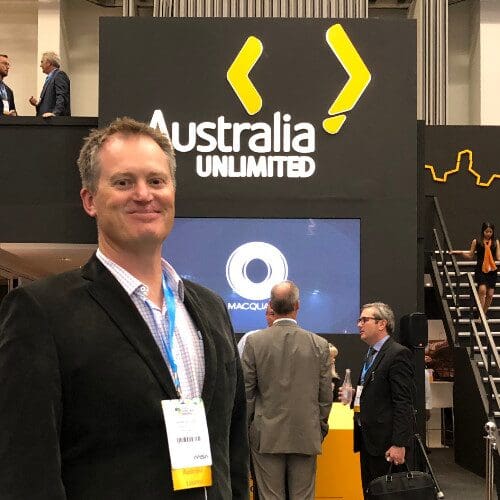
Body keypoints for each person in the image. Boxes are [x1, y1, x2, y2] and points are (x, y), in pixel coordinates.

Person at [0, 117, 248, 499]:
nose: (143, 194)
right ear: (89, 200)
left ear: (173, 192)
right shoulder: (41, 311)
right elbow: (26, 469)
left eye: (156, 181)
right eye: (122, 182)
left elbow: (231, 446)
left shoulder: (211, 308)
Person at [242, 280, 332, 500]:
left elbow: (247, 393)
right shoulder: (319, 344)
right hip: (305, 433)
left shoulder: (254, 342)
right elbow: (325, 396)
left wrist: (249, 429)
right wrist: (319, 427)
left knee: (270, 497)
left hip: (266, 436)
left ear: (271, 305)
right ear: (298, 306)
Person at [347, 302, 414, 496]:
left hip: (386, 444)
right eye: (359, 320)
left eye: (364, 320)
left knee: (387, 495)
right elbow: (374, 393)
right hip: (368, 441)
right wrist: (353, 396)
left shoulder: (397, 354)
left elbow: (403, 402)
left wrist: (399, 443)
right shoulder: (371, 354)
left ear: (381, 324)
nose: (359, 324)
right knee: (370, 493)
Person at [451, 221, 499, 314]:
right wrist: (459, 252)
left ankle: (483, 314)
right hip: (481, 269)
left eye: (490, 232)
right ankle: (480, 314)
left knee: (490, 294)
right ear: (483, 231)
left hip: (492, 270)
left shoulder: (495, 242)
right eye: (486, 231)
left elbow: (498, 257)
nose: (488, 234)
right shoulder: (477, 241)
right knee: (482, 290)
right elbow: (470, 255)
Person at [29, 51, 71, 117]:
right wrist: (37, 104)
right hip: (47, 121)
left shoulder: (59, 75)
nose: (40, 65)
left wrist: (55, 113)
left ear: (48, 63)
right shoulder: (50, 78)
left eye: (42, 62)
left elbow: (62, 97)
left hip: (55, 122)